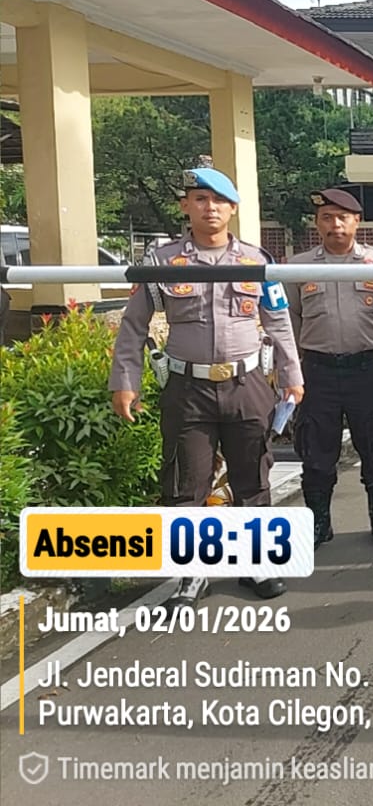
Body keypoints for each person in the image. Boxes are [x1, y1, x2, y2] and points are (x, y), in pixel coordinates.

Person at [109, 167, 303, 613]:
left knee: (252, 478)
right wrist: (125, 381)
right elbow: (133, 326)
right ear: (186, 206)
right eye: (200, 199)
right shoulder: (162, 263)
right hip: (187, 388)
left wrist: (292, 375)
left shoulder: (256, 260)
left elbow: (278, 322)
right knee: (185, 483)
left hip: (246, 384)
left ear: (232, 209)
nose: (209, 208)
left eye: (219, 201)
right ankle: (192, 573)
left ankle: (255, 562)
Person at [285, 189, 373, 550]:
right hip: (317, 370)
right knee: (317, 453)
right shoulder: (298, 267)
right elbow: (290, 319)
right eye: (326, 218)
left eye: (342, 217)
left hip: (365, 368)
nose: (335, 224)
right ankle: (319, 524)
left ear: (356, 221)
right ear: (317, 223)